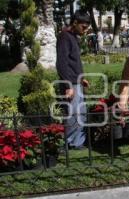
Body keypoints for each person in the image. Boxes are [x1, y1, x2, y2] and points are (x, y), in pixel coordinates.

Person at [56, 10, 90, 150]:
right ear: (75, 23)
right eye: (84, 26)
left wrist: (82, 78)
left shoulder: (73, 37)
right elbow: (62, 63)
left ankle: (78, 142)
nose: (86, 30)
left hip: (77, 82)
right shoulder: (64, 37)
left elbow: (74, 62)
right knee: (72, 114)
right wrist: (68, 85)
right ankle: (68, 143)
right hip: (70, 84)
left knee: (81, 113)